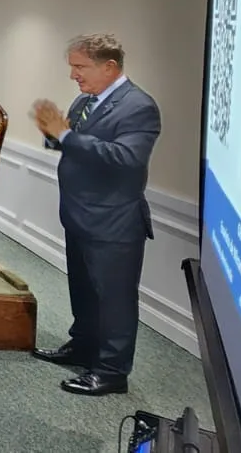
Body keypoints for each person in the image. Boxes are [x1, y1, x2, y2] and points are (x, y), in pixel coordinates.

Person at [31, 33, 161, 396]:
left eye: (80, 67)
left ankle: (111, 371)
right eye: (72, 67)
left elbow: (126, 159)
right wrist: (53, 134)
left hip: (114, 222)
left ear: (110, 66)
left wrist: (66, 137)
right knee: (84, 290)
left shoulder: (139, 106)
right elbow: (72, 141)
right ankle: (83, 346)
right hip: (79, 215)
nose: (74, 75)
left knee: (114, 300)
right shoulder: (85, 101)